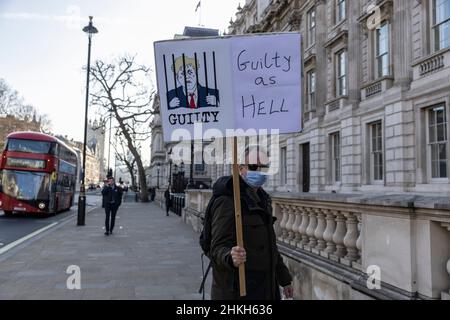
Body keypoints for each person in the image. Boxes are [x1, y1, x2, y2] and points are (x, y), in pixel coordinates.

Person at [209, 146, 293, 300]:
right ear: (241, 169)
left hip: (266, 288)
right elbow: (216, 248)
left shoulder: (263, 199)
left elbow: (270, 247)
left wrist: (284, 279)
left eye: (264, 166)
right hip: (238, 291)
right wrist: (230, 256)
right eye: (254, 166)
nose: (260, 170)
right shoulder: (227, 201)